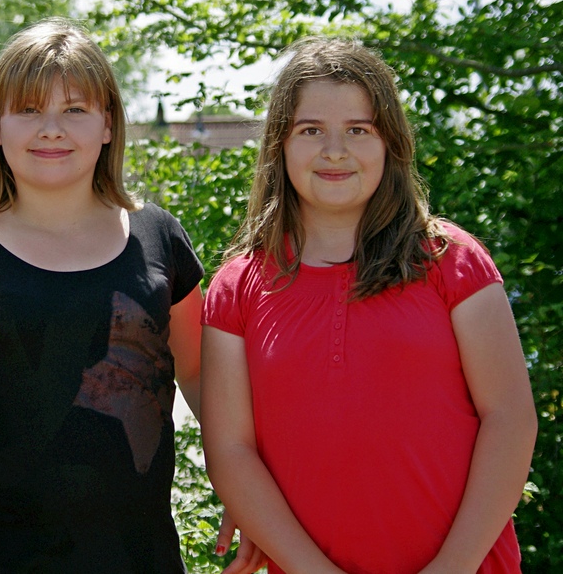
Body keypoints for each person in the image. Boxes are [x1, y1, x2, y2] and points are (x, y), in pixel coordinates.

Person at [200, 37, 538, 573]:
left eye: (359, 130)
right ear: (279, 146)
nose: (335, 150)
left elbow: (512, 420)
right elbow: (230, 452)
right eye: (311, 131)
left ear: (391, 144)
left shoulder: (452, 261)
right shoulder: (236, 288)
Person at [0, 17, 216, 573]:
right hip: (5, 559)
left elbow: (200, 378)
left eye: (75, 110)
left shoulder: (158, 236)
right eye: (28, 110)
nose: (51, 129)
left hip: (142, 559)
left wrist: (236, 485)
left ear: (108, 124)